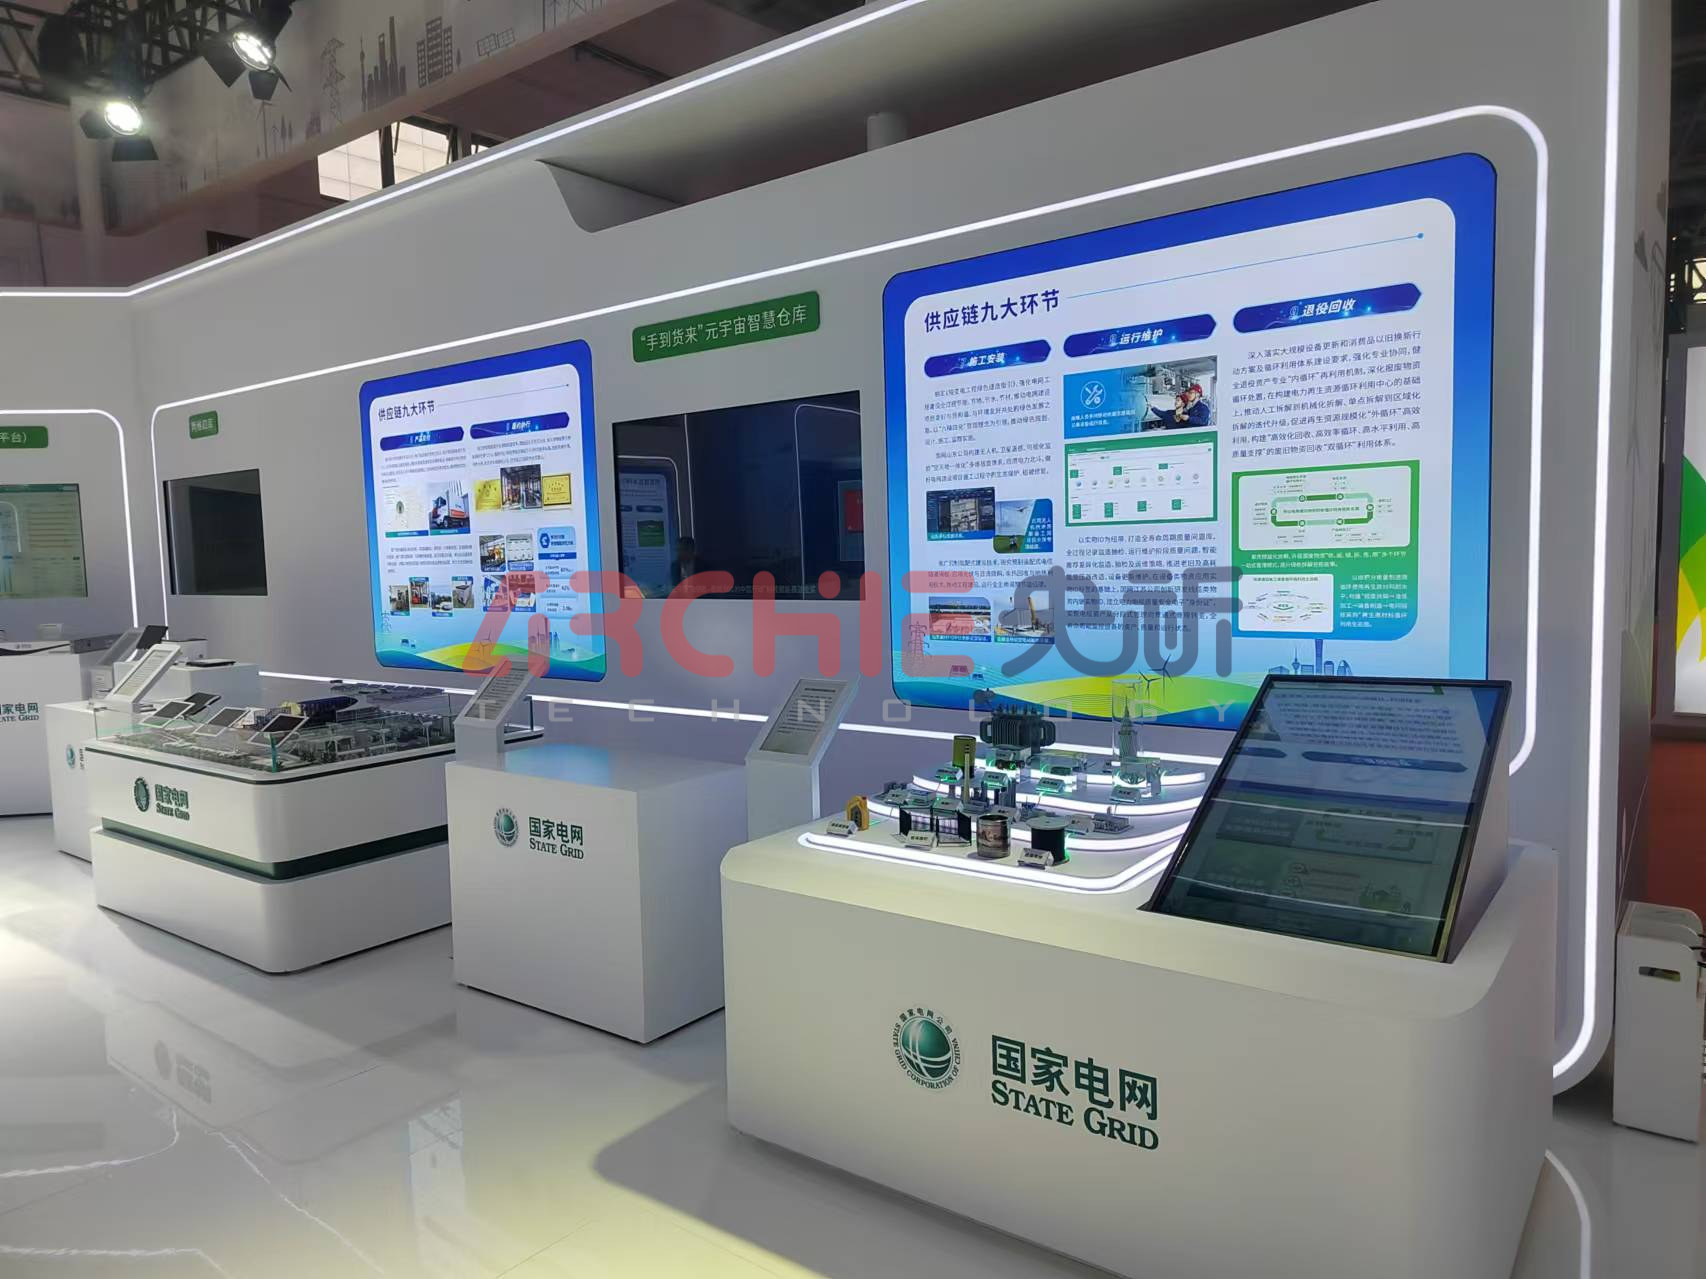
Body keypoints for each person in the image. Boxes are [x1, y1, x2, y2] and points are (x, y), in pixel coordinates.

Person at [1147, 382, 1212, 429]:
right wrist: (1152, 408)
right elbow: (1164, 415)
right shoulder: (1190, 409)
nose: (1189, 395)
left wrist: (1188, 418)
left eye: (1191, 393)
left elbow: (1203, 421)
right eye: (1188, 393)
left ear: (1197, 394)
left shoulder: (1203, 408)